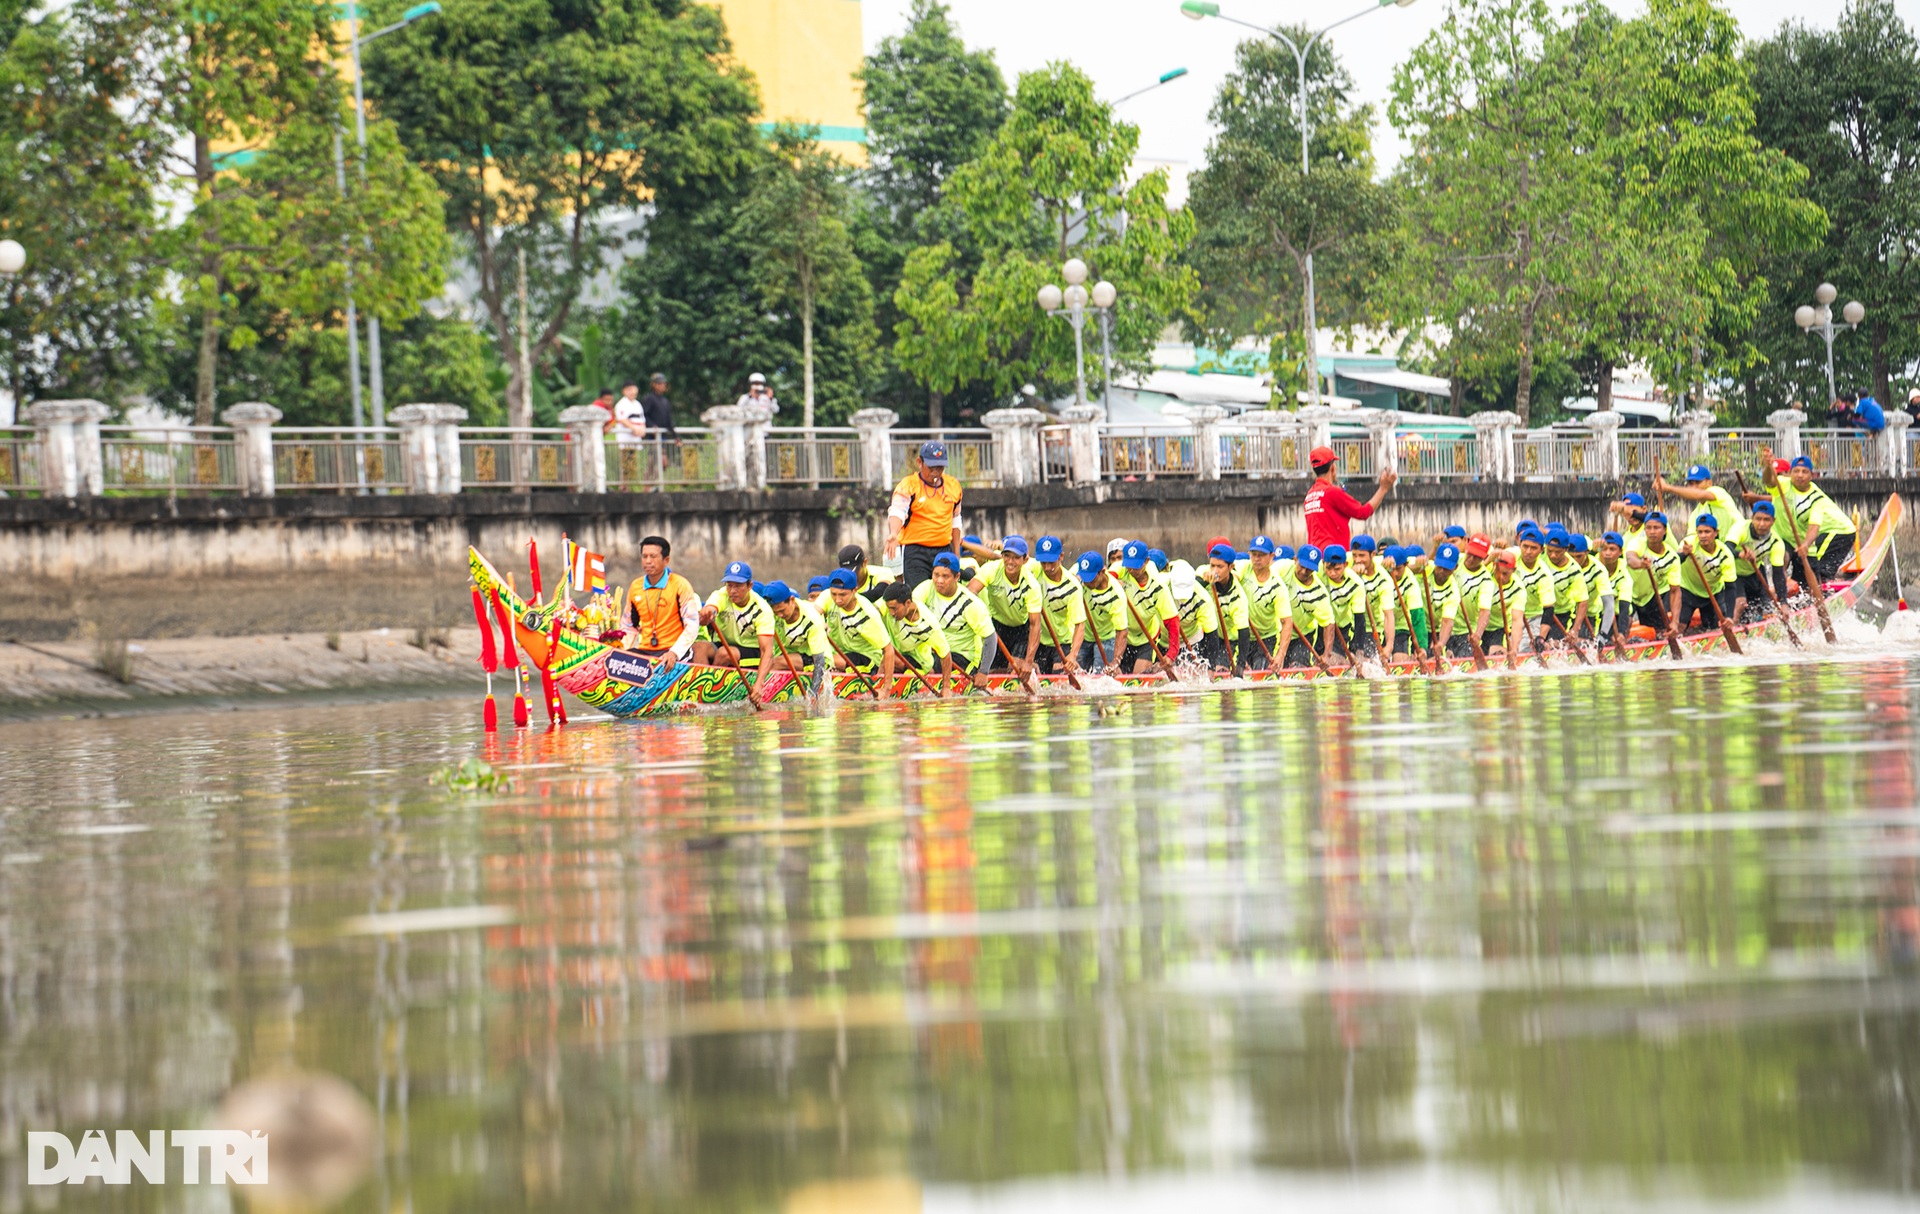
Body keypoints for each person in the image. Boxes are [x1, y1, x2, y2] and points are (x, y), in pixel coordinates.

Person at [1763, 451, 1858, 583]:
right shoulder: (1782, 485)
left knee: (1817, 571)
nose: (1800, 475)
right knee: (1788, 562)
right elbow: (1770, 482)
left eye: (1804, 472)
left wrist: (1806, 545)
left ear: (1811, 476)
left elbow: (1814, 526)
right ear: (1790, 474)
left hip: (1836, 531)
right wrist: (1768, 468)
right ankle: (1784, 593)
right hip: (1797, 538)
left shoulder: (1814, 498)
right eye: (1796, 471)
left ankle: (1826, 589)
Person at [694, 561, 780, 698]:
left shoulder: (762, 609)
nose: (732, 591)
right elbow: (712, 607)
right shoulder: (721, 595)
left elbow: (767, 651)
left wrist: (759, 684)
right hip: (727, 645)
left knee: (724, 654)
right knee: (699, 647)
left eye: (738, 586)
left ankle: (711, 691)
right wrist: (707, 614)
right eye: (729, 585)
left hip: (753, 651)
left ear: (749, 586)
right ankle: (698, 687)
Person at [886, 441, 963, 589]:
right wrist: (894, 533)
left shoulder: (954, 486)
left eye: (940, 467)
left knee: (944, 592)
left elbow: (955, 520)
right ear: (919, 462)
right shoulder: (909, 485)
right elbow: (897, 511)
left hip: (943, 549)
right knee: (918, 594)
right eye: (931, 467)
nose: (936, 472)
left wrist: (956, 553)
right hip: (916, 551)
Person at [914, 553, 997, 688]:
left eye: (945, 576)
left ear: (957, 577)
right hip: (934, 651)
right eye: (936, 575)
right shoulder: (926, 588)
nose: (939, 581)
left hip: (962, 656)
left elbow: (990, 637)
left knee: (931, 665)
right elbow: (911, 610)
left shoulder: (970, 603)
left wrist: (983, 672)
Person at [969, 536, 1041, 676]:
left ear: (1025, 560)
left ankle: (1031, 667)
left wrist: (1028, 661)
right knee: (991, 670)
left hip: (1021, 629)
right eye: (1007, 556)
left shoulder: (1031, 585)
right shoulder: (992, 569)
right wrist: (983, 617)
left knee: (1014, 670)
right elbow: (970, 592)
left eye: (1015, 558)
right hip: (996, 625)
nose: (1010, 562)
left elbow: (1035, 625)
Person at [1303, 445, 1397, 550]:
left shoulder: (1309, 495)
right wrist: (1384, 488)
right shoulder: (1333, 492)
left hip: (1314, 557)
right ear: (1332, 467)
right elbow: (1363, 512)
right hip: (1335, 556)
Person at [622, 534, 700, 658]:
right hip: (645, 651)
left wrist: (674, 653)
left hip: (673, 650)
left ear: (666, 560)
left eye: (653, 556)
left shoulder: (680, 584)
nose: (648, 561)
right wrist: (621, 651)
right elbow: (628, 626)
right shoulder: (635, 586)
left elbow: (692, 624)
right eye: (644, 556)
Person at [820, 568, 900, 684]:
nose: (837, 599)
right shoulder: (827, 596)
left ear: (855, 590)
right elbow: (813, 613)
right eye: (834, 594)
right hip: (840, 654)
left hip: (867, 658)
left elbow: (888, 650)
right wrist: (819, 622)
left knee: (824, 660)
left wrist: (886, 688)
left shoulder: (867, 614)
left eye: (843, 595)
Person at [1114, 541, 1182, 676]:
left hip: (1146, 637)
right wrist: (1114, 583)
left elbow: (1172, 622)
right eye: (1129, 566)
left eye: (1136, 567)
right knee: (1118, 680)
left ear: (1146, 561)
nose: (1131, 571)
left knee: (1138, 679)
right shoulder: (1121, 569)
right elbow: (1104, 577)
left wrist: (1171, 654)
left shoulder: (1158, 588)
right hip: (1122, 636)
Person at [881, 581, 957, 693]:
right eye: (889, 609)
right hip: (897, 654)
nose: (891, 613)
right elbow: (874, 611)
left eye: (894, 609)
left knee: (889, 660)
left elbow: (945, 655)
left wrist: (946, 688)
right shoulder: (890, 603)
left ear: (907, 603)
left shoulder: (928, 624)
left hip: (920, 662)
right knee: (885, 657)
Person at [1670, 515, 1740, 635]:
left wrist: (1729, 616)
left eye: (1707, 532)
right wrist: (1684, 554)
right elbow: (1673, 562)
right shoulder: (1689, 543)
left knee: (1712, 629)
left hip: (1712, 593)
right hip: (1688, 590)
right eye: (1700, 532)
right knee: (1680, 626)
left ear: (1716, 533)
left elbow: (1730, 588)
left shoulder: (1725, 555)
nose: (1703, 536)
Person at [1029, 536, 1087, 675]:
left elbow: (1080, 625)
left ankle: (1077, 669)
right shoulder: (1033, 570)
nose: (1047, 568)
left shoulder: (1072, 587)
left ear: (1061, 556)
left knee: (1058, 682)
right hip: (1036, 638)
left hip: (1061, 642)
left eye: (1051, 562)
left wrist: (1073, 655)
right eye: (1043, 563)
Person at [760, 581, 829, 696]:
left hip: (815, 658)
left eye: (782, 611)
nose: (780, 616)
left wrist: (813, 693)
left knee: (774, 663)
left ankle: (764, 694)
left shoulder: (811, 618)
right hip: (790, 656)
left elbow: (819, 662)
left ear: (792, 600)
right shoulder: (769, 614)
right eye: (776, 612)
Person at [1273, 544, 1335, 669]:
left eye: (1309, 569)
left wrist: (1327, 655)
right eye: (1301, 566)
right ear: (1295, 560)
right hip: (1276, 632)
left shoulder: (1319, 593)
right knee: (1271, 665)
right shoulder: (1283, 568)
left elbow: (1328, 624)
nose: (1303, 572)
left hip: (1302, 636)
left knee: (1297, 668)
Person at [1623, 511, 1682, 632]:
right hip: (1627, 592)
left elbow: (1675, 591)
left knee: (1662, 630)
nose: (1652, 532)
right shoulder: (1637, 543)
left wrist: (1675, 622)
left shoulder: (1672, 558)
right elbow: (1630, 559)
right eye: (1648, 528)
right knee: (1626, 623)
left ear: (1665, 530)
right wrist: (1641, 564)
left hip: (1650, 595)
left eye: (1656, 528)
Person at [1168, 561, 1232, 672]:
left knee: (1187, 673)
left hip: (1190, 639)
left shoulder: (1204, 600)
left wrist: (1211, 669)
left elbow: (1212, 637)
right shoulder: (1162, 586)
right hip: (1164, 636)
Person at [1730, 500, 1790, 618]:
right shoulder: (1740, 528)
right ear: (1752, 518)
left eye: (1766, 520)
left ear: (1773, 521)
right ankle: (1733, 627)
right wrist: (1740, 555)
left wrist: (1783, 603)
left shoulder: (1776, 542)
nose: (1761, 524)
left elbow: (1778, 574)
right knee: (1740, 605)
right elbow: (1726, 549)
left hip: (1756, 573)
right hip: (1734, 574)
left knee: (1767, 609)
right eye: (1758, 519)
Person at [1235, 535, 1287, 669]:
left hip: (1266, 638)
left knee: (1260, 670)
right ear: (1249, 554)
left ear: (1271, 556)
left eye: (1262, 555)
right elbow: (1231, 575)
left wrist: (1280, 656)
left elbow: (1287, 622)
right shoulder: (1243, 567)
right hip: (1241, 635)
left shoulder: (1277, 586)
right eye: (1254, 554)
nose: (1257, 559)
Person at [1073, 550, 1126, 673]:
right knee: (1074, 673)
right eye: (1084, 578)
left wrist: (1115, 662)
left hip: (1106, 637)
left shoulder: (1116, 595)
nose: (1086, 583)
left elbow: (1122, 632)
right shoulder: (1080, 571)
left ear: (1102, 572)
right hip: (1083, 635)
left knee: (1098, 677)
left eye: (1090, 579)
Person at [1654, 464, 1744, 533]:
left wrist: (1668, 488)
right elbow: (1691, 539)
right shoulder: (1695, 515)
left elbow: (1699, 494)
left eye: (1698, 482)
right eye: (1691, 483)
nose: (1694, 487)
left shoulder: (1718, 492)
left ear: (1709, 483)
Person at [1204, 544, 1252, 670]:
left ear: (1231, 567)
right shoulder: (1204, 574)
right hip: (1208, 636)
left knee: (1218, 669)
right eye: (1212, 565)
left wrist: (1240, 666)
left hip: (1229, 640)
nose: (1214, 571)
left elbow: (1244, 633)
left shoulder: (1238, 597)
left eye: (1220, 567)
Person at [1321, 545, 1371, 661]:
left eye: (1337, 569)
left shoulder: (1356, 584)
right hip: (1320, 625)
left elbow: (1359, 620)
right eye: (1328, 568)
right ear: (1323, 563)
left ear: (1346, 565)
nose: (1332, 573)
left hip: (1341, 627)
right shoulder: (1317, 570)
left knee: (1336, 660)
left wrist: (1359, 651)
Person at [1350, 536, 1397, 658]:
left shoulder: (1383, 579)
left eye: (1361, 555)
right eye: (1354, 555)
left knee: (1366, 662)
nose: (1357, 560)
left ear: (1373, 555)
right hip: (1348, 624)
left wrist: (1389, 646)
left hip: (1371, 628)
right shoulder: (1345, 563)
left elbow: (1388, 615)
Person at [613, 381, 648, 447]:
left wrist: (643, 429)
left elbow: (642, 418)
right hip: (626, 438)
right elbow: (622, 419)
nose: (633, 392)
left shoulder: (637, 404)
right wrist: (634, 428)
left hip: (636, 437)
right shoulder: (621, 404)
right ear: (624, 391)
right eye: (630, 389)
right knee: (626, 456)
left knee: (636, 456)